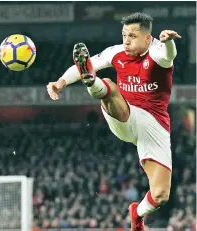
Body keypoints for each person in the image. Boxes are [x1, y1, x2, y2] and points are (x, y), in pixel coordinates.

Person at [47, 12, 181, 231]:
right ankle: (92, 83)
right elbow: (89, 62)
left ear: (148, 38)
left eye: (132, 36)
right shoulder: (117, 52)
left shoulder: (158, 51)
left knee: (161, 195)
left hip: (154, 124)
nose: (126, 41)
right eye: (124, 35)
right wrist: (60, 82)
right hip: (124, 115)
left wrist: (169, 42)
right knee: (109, 85)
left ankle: (137, 216)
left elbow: (169, 55)